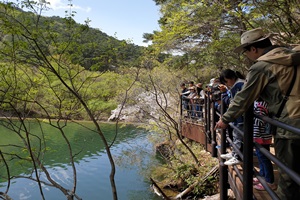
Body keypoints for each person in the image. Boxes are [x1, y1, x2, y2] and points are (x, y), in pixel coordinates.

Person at [215, 27, 300, 199]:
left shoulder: (262, 67)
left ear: (253, 49)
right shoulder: (293, 57)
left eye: (246, 51)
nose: (247, 56)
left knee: (288, 176)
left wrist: (224, 119)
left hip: (290, 123)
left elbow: (244, 98)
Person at [219, 69, 245, 166]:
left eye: (226, 81)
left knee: (239, 137)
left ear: (232, 77)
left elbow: (238, 102)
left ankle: (237, 157)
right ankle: (234, 153)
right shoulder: (236, 85)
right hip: (237, 116)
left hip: (241, 116)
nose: (226, 84)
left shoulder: (240, 85)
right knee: (236, 135)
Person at [252, 99, 276, 191]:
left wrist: (250, 115)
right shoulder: (257, 103)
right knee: (260, 157)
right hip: (259, 137)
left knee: (264, 159)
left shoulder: (261, 105)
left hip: (262, 137)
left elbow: (260, 122)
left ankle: (270, 182)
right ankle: (262, 176)